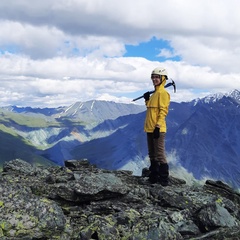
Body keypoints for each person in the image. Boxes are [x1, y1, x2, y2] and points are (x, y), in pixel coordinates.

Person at [143, 67, 170, 186]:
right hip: (149, 128)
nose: (154, 79)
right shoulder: (155, 94)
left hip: (157, 128)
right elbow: (151, 109)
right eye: (153, 77)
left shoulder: (163, 93)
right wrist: (147, 100)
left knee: (159, 154)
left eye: (157, 77)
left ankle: (164, 180)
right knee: (152, 154)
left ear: (163, 78)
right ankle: (153, 177)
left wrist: (158, 126)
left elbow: (163, 111)